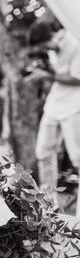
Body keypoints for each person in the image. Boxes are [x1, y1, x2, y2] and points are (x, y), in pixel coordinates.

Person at [26, 24, 80, 210]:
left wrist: (46, 76)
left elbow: (77, 77)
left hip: (75, 106)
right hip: (54, 105)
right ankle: (49, 204)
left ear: (51, 35)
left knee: (77, 158)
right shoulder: (53, 49)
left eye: (44, 46)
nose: (45, 51)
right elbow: (58, 74)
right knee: (44, 152)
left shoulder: (74, 41)